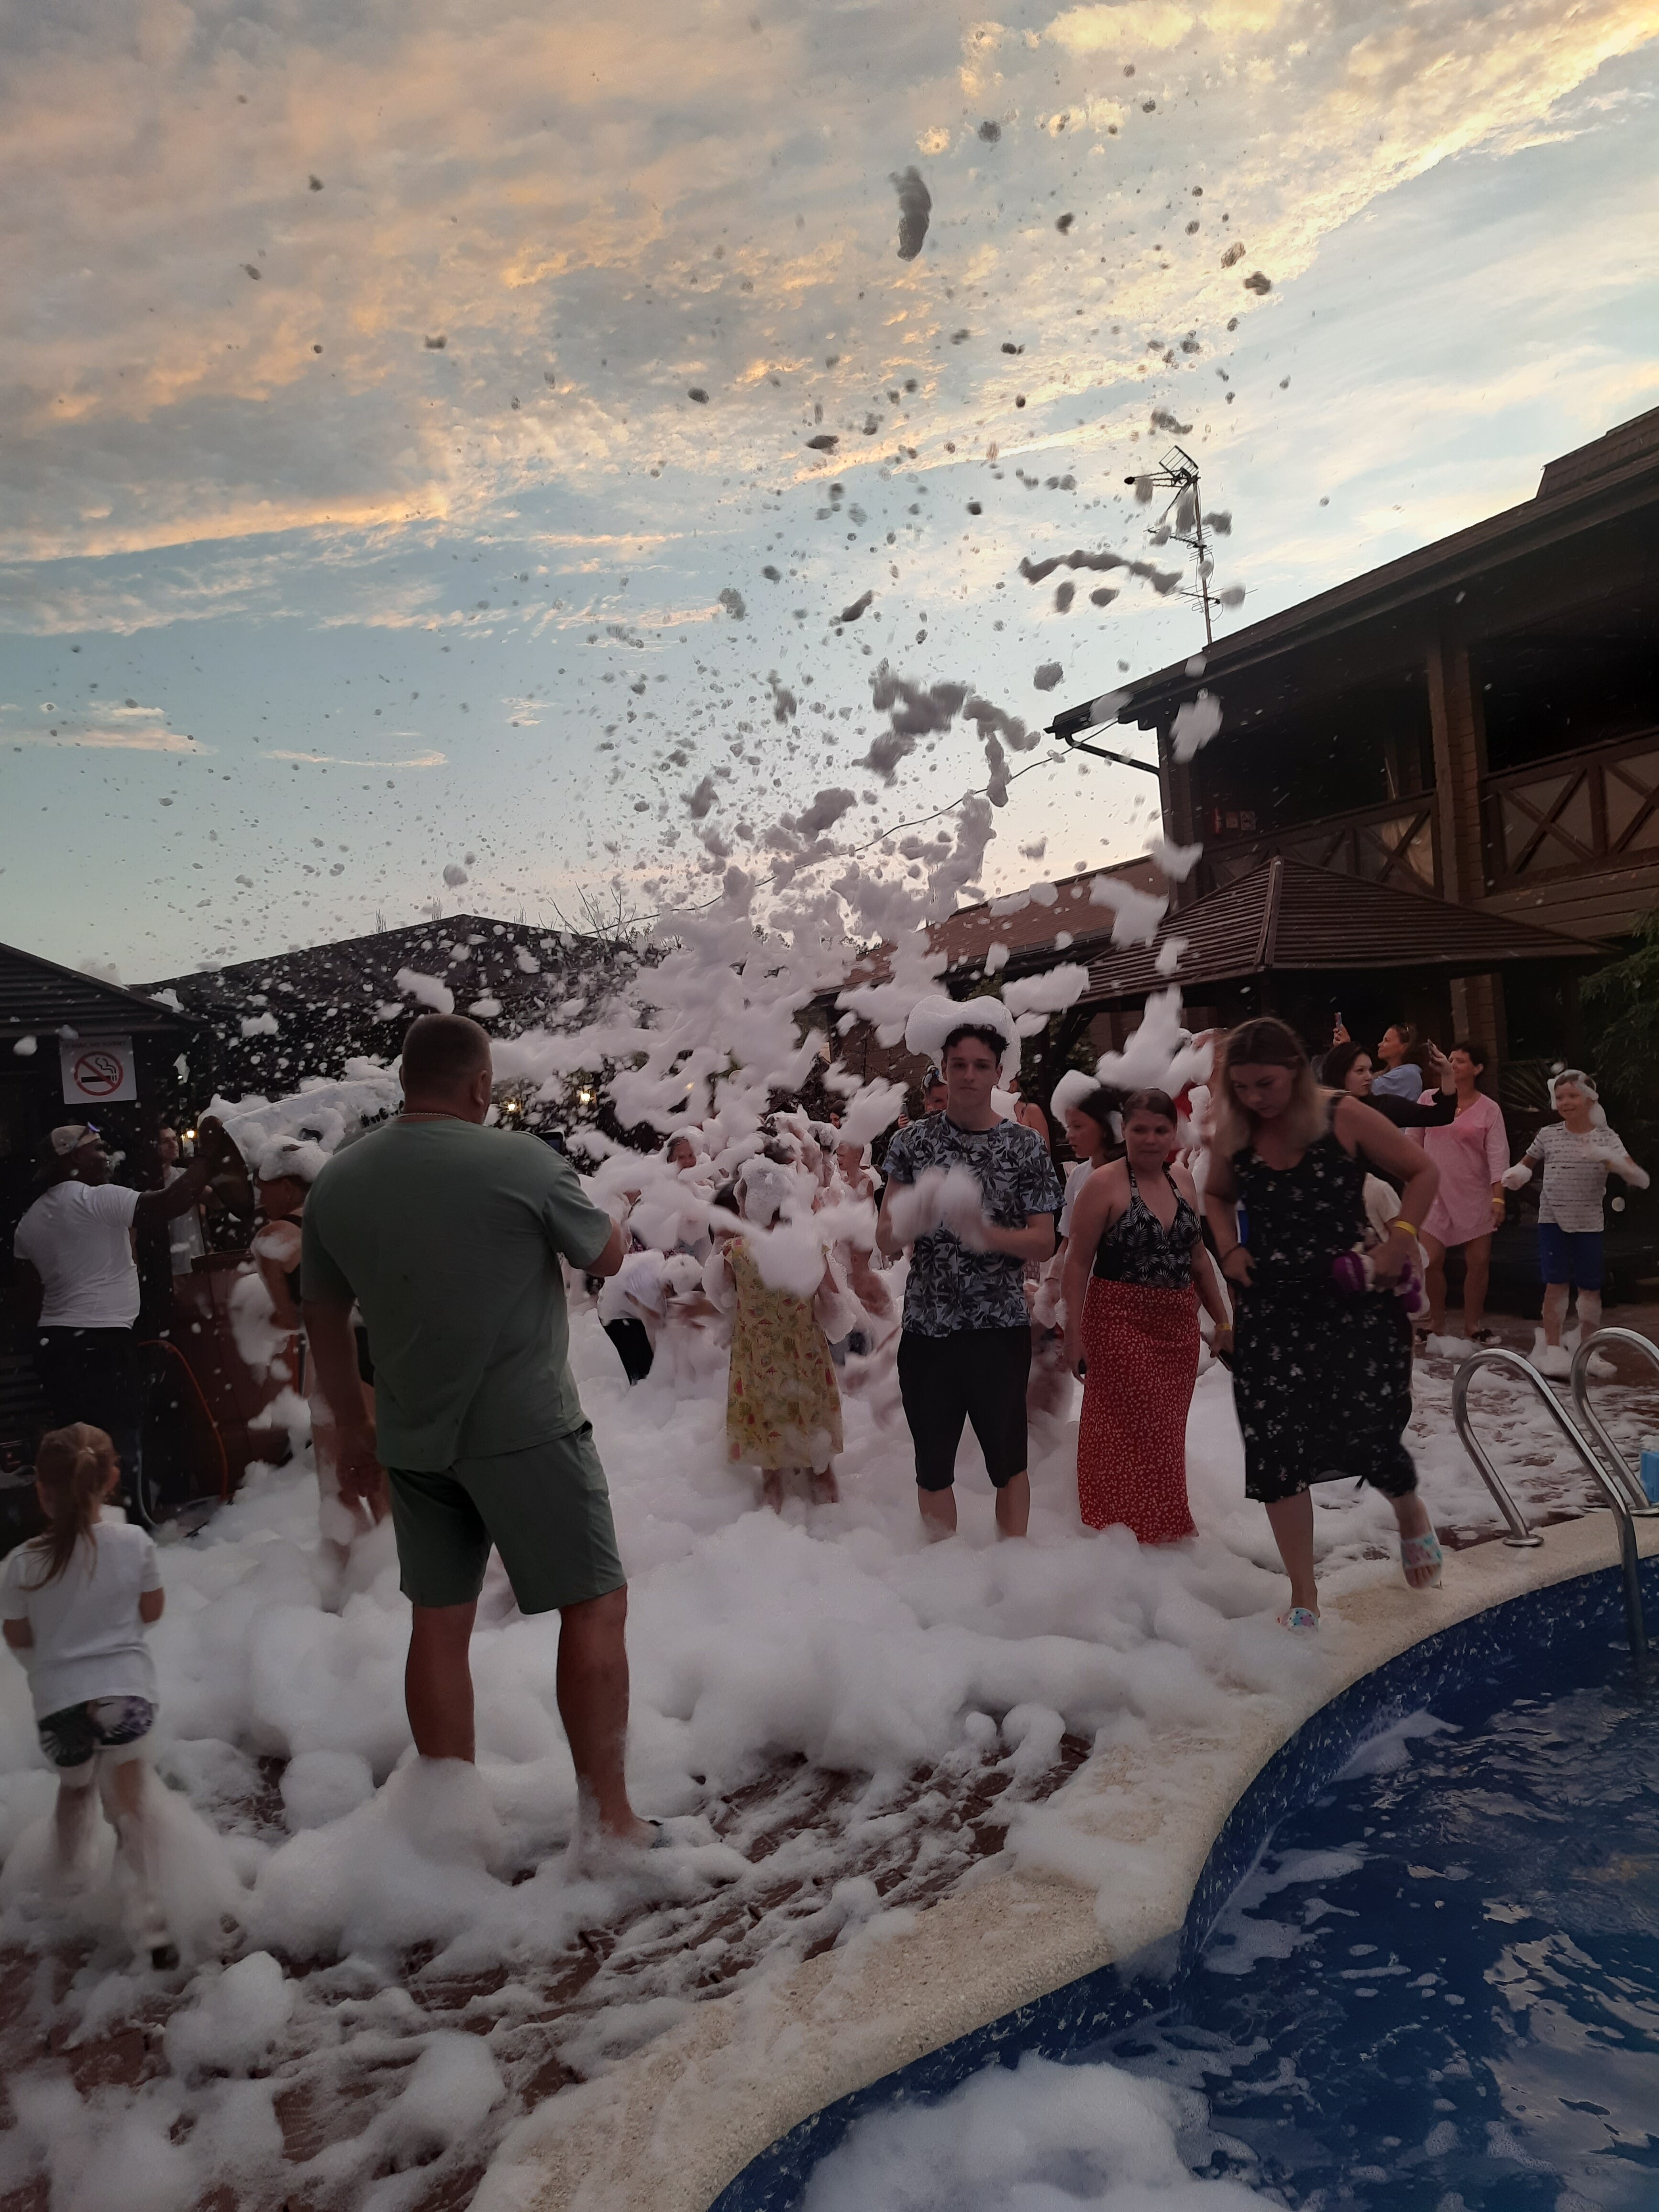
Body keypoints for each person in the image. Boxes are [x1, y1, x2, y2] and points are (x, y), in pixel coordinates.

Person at [299, 1013, 654, 1855]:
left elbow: (322, 1319)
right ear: (482, 1085)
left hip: (412, 1436)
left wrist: (353, 1427)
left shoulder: (338, 1182)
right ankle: (609, 1822)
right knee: (595, 1605)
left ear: (403, 1082)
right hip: (525, 1427)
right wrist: (615, 1209)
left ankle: (449, 1832)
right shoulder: (521, 1160)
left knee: (438, 1622)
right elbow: (606, 1256)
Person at [1201, 1018, 1444, 1631]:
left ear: (1295, 1070)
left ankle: (1408, 1510)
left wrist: (1402, 1239)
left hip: (1348, 1297)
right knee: (1276, 1449)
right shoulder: (1237, 1129)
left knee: (1368, 1429)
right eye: (1242, 1087)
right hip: (1271, 1304)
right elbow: (1217, 1196)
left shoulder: (1343, 1115)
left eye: (1266, 1084)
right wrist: (1229, 1249)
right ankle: (1303, 1593)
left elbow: (1423, 1172)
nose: (1255, 1097)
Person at [876, 1023, 1062, 1540]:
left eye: (981, 1066)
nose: (969, 1075)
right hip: (927, 1325)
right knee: (933, 1463)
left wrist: (985, 1234)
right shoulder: (912, 1142)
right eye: (958, 1065)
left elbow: (1044, 1241)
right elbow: (884, 1237)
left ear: (998, 1073)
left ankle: (1013, 1563)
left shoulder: (1024, 1146)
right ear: (943, 1068)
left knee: (1009, 1459)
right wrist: (917, 1215)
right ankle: (943, 1569)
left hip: (997, 1326)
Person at [0, 1423, 175, 1966]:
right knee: (131, 1809)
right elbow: (152, 1611)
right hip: (125, 1696)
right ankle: (151, 1926)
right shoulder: (135, 1543)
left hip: (61, 1708)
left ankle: (66, 1889)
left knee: (76, 1790)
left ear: (41, 1491)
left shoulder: (21, 1563)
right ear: (112, 1478)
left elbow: (17, 1637)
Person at [13, 1122, 225, 1517]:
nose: (106, 1156)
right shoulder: (98, 1199)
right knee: (120, 1441)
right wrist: (207, 1156)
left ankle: (83, 1523)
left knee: (77, 1445)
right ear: (73, 1159)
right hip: (103, 1342)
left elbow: (29, 1303)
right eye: (97, 1149)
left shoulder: (30, 1222)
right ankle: (131, 1524)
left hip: (56, 1346)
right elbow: (170, 1202)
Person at [1062, 1089, 1232, 1542]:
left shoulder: (1182, 1179)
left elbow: (1198, 1256)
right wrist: (1073, 1334)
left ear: (1174, 1133)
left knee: (1166, 1434)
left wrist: (1222, 1321)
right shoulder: (1103, 1183)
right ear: (1124, 1131)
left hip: (1176, 1326)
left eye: (1161, 1130)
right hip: (1118, 1319)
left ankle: (1162, 1531)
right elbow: (1076, 1264)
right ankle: (1119, 1531)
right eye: (1140, 1130)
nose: (1151, 1139)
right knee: (1132, 1429)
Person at [1501, 1069, 1649, 1377]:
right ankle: (1553, 1349)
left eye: (1573, 1095)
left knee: (1590, 1288)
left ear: (1590, 1099)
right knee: (1555, 1285)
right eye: (1560, 1097)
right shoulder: (1548, 1134)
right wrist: (1518, 1175)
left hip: (1589, 1223)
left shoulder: (1607, 1137)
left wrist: (1608, 1158)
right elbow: (1526, 1164)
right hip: (1552, 1221)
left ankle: (1588, 1348)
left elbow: (1638, 1177)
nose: (1565, 1102)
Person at [719, 1160, 843, 1509]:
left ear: (750, 1206)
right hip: (804, 1352)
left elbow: (725, 1301)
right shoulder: (808, 1247)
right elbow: (834, 1303)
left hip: (756, 1359)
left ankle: (772, 1510)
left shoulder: (735, 1253)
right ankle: (830, 1510)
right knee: (818, 1450)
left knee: (768, 1448)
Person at [1412, 1043, 1510, 1345]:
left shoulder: (1489, 1110)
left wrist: (1498, 1197)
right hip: (1433, 1193)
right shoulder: (1428, 1099)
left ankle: (1472, 1325)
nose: (1453, 1064)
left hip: (1475, 1194)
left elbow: (1498, 1156)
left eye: (1461, 1061)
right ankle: (1436, 1323)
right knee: (1431, 1260)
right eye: (1450, 1059)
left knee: (1478, 1262)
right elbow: (1412, 1144)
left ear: (1477, 1069)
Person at [1320, 1041, 1458, 1131]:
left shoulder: (1384, 1106)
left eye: (1370, 1070)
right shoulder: (1320, 1114)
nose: (1369, 1077)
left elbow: (1442, 1115)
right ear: (1339, 1075)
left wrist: (1447, 1074)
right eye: (1360, 1071)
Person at [155, 1127, 206, 1276]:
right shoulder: (146, 1185)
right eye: (165, 1141)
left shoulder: (187, 1177)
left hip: (195, 1260)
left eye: (174, 1139)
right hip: (165, 1268)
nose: (173, 1144)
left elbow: (213, 1201)